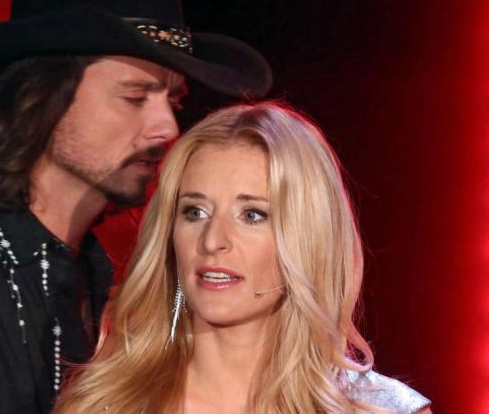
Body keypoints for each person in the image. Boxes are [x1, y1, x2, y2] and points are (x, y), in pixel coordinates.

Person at [0, 0, 272, 413]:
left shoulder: (101, 280)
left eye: (173, 101)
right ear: (43, 97)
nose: (167, 128)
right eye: (135, 96)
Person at [55, 102, 432, 413]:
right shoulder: (105, 405)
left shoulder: (381, 409)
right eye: (195, 212)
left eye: (252, 215)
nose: (212, 241)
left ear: (308, 236)